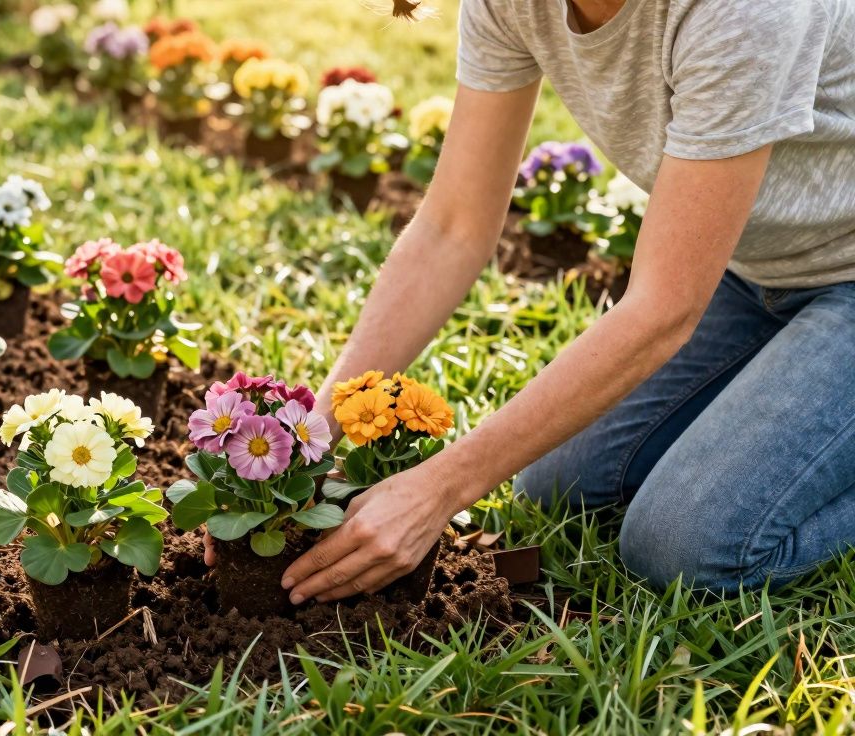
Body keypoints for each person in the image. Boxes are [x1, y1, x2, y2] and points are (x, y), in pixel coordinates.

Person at [215, 0, 855, 602]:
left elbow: (663, 309)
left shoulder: (745, 13)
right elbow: (453, 227)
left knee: (685, 547)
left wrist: (437, 490)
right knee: (558, 485)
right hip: (749, 270)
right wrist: (316, 427)